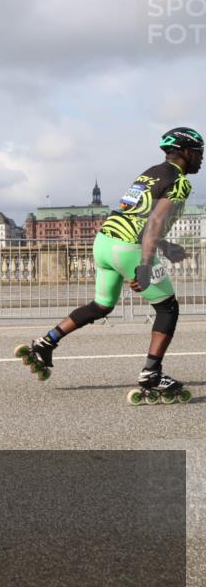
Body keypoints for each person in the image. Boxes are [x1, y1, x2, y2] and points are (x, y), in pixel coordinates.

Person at [17, 127, 202, 404]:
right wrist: (144, 264)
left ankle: (46, 343)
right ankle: (152, 373)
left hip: (104, 241)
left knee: (101, 305)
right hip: (130, 247)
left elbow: (134, 214)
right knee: (167, 307)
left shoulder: (149, 173)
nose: (201, 159)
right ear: (186, 153)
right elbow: (152, 223)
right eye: (199, 153)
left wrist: (165, 246)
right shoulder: (179, 181)